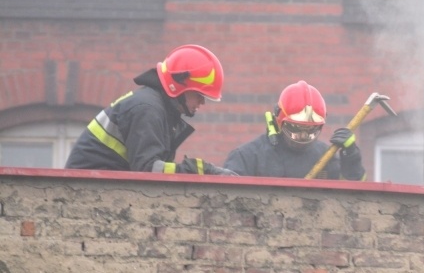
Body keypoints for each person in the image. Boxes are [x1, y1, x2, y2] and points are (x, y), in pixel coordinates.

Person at [65, 44, 236, 176]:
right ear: (179, 85)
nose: (202, 102)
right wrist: (199, 170)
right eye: (199, 94)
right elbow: (148, 171)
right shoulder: (147, 109)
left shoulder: (158, 107)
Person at [224, 80, 366, 180]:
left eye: (311, 129)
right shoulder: (247, 157)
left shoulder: (326, 157)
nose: (303, 135)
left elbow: (355, 198)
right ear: (279, 120)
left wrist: (351, 156)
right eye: (296, 128)